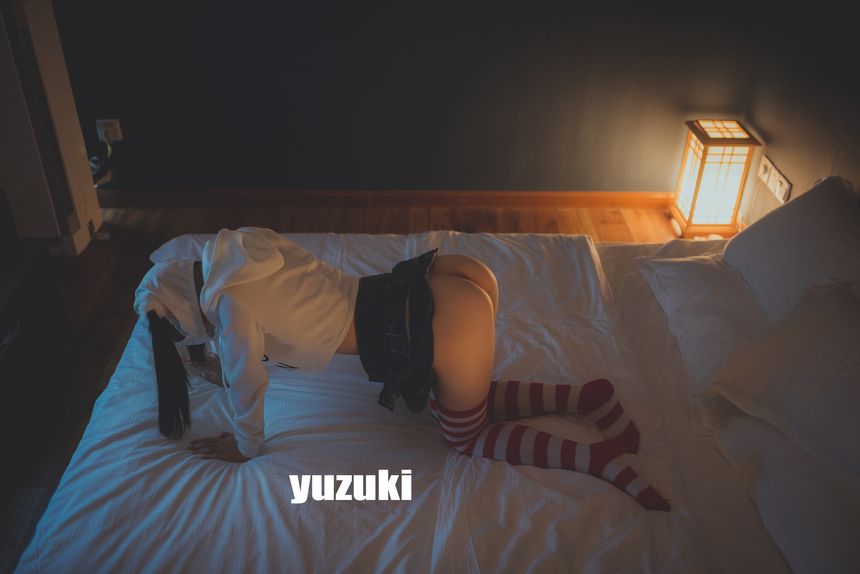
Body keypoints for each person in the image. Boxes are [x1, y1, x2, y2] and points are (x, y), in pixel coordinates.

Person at [134, 226, 669, 511]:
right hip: (433, 282)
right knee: (463, 397)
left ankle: (597, 459)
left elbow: (248, 382)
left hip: (423, 323)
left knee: (466, 437)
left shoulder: (231, 309)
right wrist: (214, 356)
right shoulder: (236, 247)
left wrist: (246, 446)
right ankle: (588, 399)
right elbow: (264, 325)